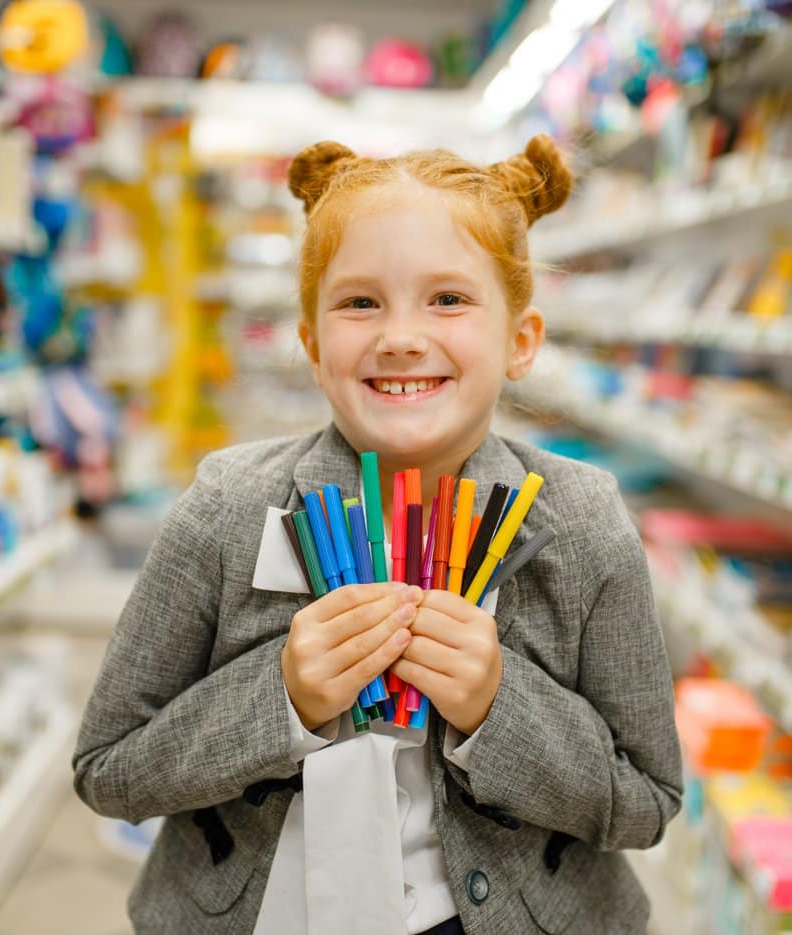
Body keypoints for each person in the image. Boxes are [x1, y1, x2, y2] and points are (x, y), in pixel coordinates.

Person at [73, 133, 682, 935]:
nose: (400, 334)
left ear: (521, 340)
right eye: (360, 302)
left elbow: (647, 801)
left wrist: (501, 706)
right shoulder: (225, 508)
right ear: (313, 344)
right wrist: (279, 697)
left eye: (449, 299)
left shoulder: (582, 524)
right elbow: (108, 768)